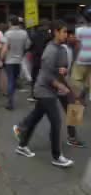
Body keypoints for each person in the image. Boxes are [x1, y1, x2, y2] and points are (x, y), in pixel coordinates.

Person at [13, 20, 74, 168]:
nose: (66, 35)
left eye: (67, 32)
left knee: (35, 118)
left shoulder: (61, 48)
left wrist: (63, 71)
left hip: (50, 90)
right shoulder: (50, 50)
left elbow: (61, 67)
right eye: (64, 32)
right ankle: (57, 156)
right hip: (44, 90)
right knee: (56, 122)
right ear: (56, 32)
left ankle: (21, 145)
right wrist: (62, 87)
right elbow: (47, 76)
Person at [0, 15, 31, 110]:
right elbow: (27, 45)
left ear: (10, 22)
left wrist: (1, 59)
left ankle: (10, 102)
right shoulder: (24, 33)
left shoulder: (8, 34)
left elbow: (5, 48)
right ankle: (13, 95)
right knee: (14, 79)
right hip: (19, 60)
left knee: (10, 80)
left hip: (9, 60)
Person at [28, 20, 52, 101]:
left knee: (35, 77)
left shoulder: (34, 35)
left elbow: (30, 47)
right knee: (46, 77)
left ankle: (34, 95)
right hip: (47, 59)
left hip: (37, 59)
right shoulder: (49, 36)